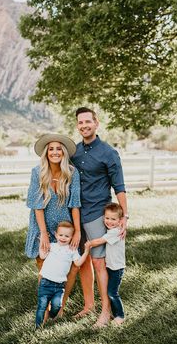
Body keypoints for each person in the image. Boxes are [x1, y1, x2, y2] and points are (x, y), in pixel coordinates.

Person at [71, 107, 128, 327]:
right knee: (83, 262)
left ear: (96, 123)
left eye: (88, 121)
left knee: (98, 262)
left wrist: (125, 217)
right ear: (77, 126)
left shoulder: (108, 153)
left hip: (96, 213)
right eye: (80, 122)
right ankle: (89, 305)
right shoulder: (73, 152)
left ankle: (106, 311)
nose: (84, 125)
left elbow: (120, 188)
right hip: (76, 213)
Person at [25, 133, 81, 272]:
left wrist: (78, 231)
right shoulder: (37, 172)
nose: (55, 152)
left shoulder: (72, 173)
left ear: (64, 152)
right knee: (43, 265)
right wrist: (43, 233)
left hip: (63, 226)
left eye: (58, 148)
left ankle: (63, 294)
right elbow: (37, 206)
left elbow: (74, 205)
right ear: (46, 152)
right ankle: (43, 294)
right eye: (51, 149)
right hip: (41, 224)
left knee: (66, 264)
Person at [36, 221, 90, 328]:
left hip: (59, 286)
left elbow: (78, 263)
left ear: (71, 237)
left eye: (67, 236)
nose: (63, 238)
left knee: (57, 306)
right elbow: (42, 256)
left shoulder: (72, 250)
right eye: (61, 235)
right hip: (45, 283)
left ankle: (52, 315)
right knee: (42, 306)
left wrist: (86, 252)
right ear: (56, 235)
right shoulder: (51, 246)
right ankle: (38, 326)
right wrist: (42, 242)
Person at [87, 203, 126, 325]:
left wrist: (89, 243)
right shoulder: (112, 230)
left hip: (117, 268)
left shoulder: (116, 231)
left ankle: (120, 315)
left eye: (113, 219)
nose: (109, 221)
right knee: (111, 291)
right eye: (107, 218)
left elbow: (100, 241)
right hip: (111, 266)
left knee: (112, 292)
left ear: (120, 220)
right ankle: (114, 314)